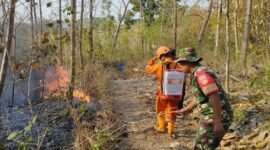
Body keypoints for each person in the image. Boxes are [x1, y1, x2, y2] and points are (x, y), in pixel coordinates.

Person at [175, 48, 233, 149]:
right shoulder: (199, 72)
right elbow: (201, 95)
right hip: (212, 116)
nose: (179, 67)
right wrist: (187, 108)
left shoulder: (201, 75)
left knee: (201, 147)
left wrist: (218, 122)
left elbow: (214, 96)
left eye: (180, 64)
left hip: (215, 117)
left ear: (187, 63)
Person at [145, 46, 184, 138]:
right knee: (171, 111)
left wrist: (151, 60)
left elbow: (147, 69)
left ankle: (161, 127)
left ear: (160, 56)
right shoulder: (177, 65)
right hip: (174, 94)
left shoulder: (159, 65)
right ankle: (171, 131)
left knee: (160, 109)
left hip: (161, 93)